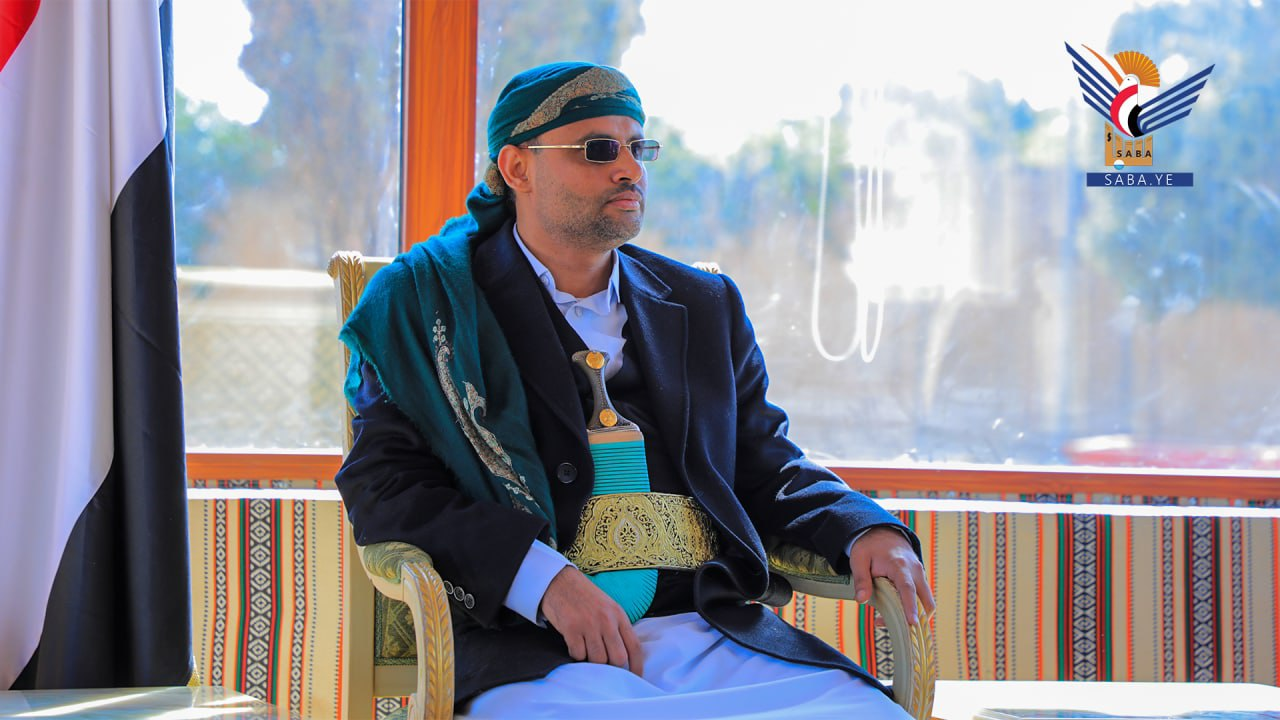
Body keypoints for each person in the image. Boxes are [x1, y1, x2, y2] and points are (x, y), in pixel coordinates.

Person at [335, 61, 934, 718]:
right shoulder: (427, 306)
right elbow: (385, 487)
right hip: (534, 650)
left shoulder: (704, 303)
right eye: (598, 149)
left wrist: (861, 527)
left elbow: (765, 462)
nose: (628, 169)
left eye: (637, 147)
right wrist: (543, 581)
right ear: (517, 168)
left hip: (715, 633)